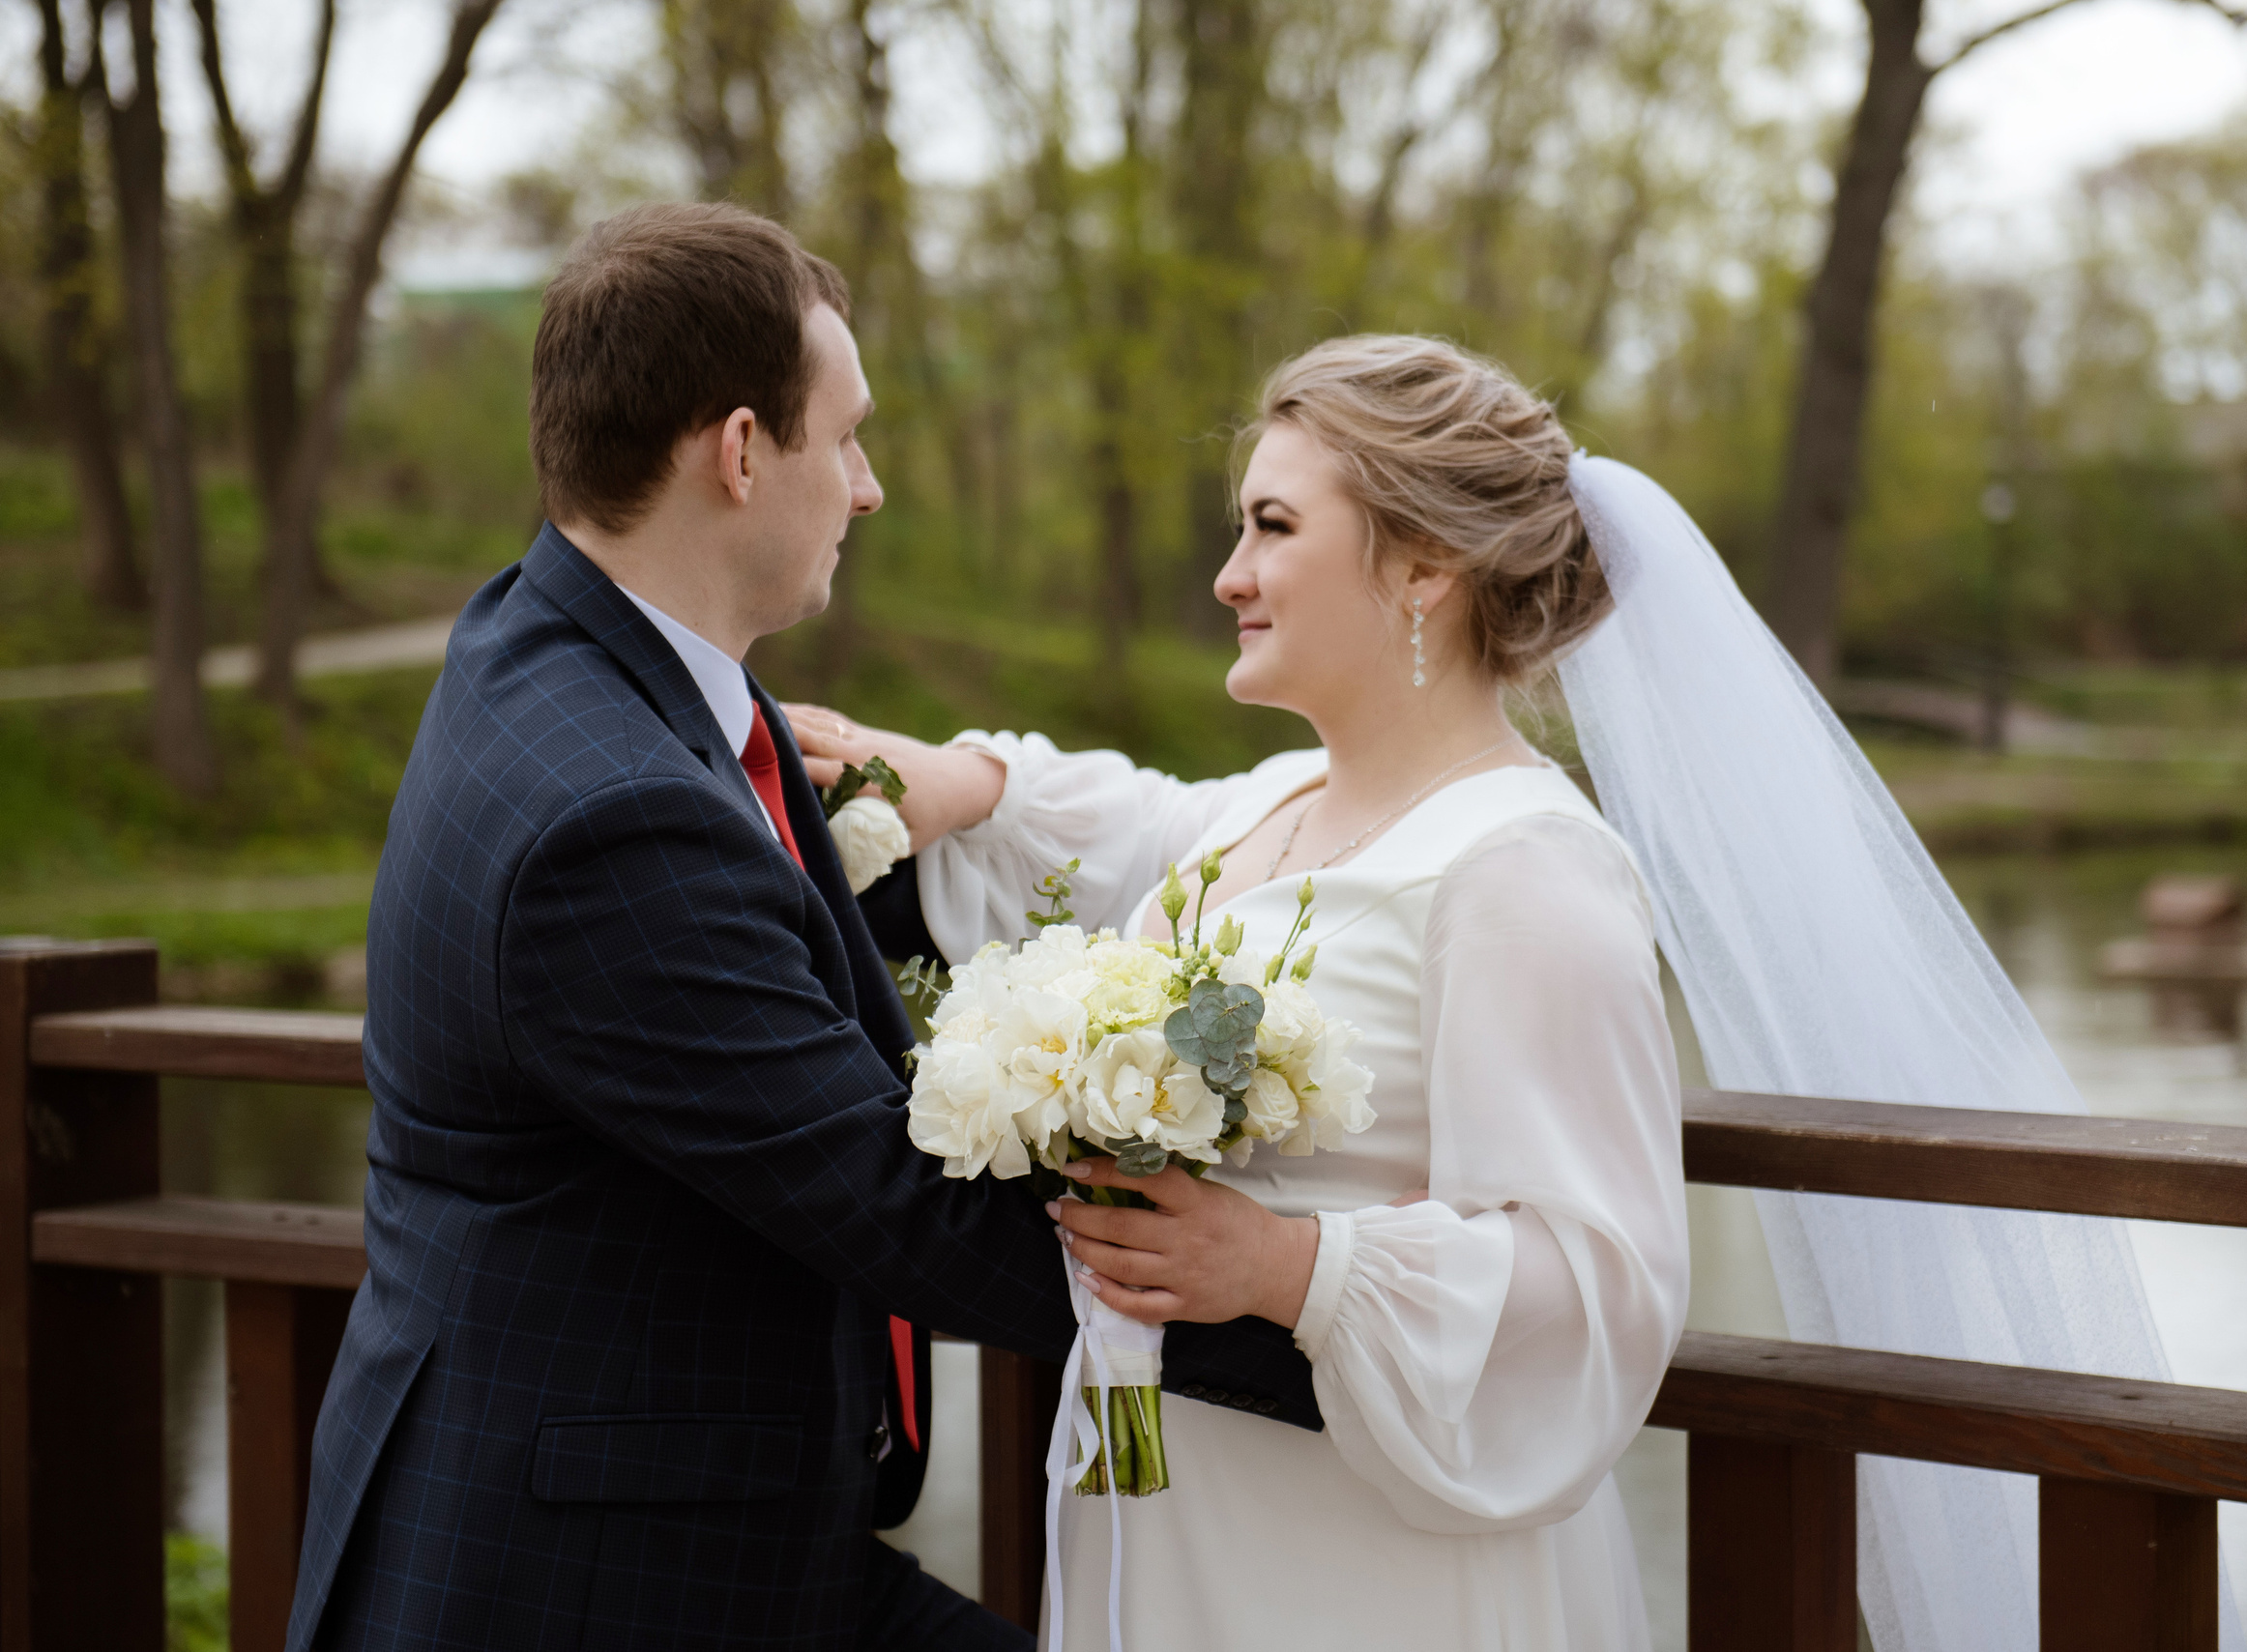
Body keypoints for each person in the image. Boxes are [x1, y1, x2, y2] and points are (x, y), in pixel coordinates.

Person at [291, 201, 1319, 1652]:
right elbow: (899, 1200)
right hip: (582, 1580)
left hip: (687, 1518)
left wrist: (963, 800)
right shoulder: (611, 818)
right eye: (846, 438)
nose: (870, 487)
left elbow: (774, 961)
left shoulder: (562, 652)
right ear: (738, 451)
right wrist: (1341, 1325)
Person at [792, 334, 1692, 1649]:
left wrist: (1286, 1264)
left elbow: (1599, 1282)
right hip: (1184, 1506)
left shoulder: (1526, 870)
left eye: (1273, 526)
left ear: (1425, 566)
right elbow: (1128, 819)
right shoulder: (1276, 801)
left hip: (1371, 1565)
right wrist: (958, 779)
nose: (1229, 574)